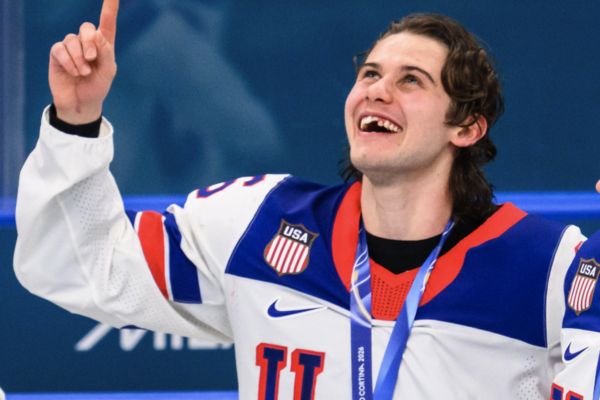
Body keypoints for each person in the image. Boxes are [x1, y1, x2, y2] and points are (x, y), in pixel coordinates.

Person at [12, 0, 594, 398]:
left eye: (410, 80)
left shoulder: (547, 265)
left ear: (466, 127)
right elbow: (82, 264)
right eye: (369, 74)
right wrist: (76, 121)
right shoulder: (256, 222)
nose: (377, 91)